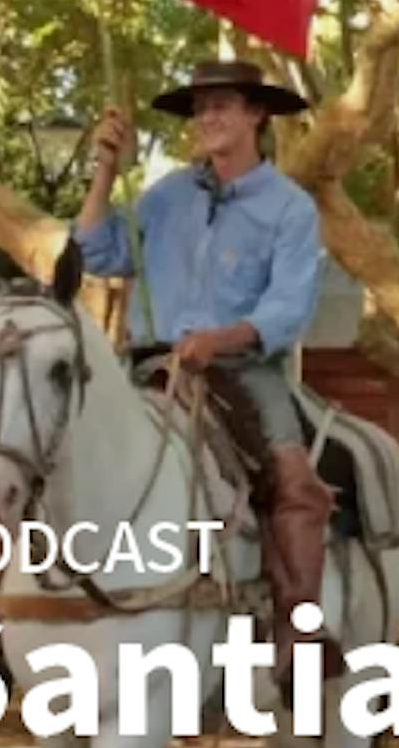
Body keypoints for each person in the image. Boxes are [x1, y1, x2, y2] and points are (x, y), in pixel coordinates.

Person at [74, 59, 329, 688]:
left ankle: (298, 625)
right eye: (201, 108)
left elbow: (288, 308)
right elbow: (95, 251)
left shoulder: (290, 208)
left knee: (293, 480)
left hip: (242, 370)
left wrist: (220, 338)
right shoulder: (163, 197)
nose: (208, 118)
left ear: (256, 115)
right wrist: (105, 170)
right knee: (57, 446)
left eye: (222, 105)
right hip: (151, 366)